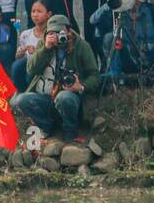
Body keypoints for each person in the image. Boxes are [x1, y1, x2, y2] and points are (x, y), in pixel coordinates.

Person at [10, 14, 99, 144]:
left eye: (60, 32)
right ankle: (48, 126)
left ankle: (70, 130)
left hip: (70, 97)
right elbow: (31, 69)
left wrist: (81, 86)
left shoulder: (81, 46)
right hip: (46, 96)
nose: (57, 37)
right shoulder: (44, 43)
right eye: (52, 33)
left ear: (68, 31)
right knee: (21, 100)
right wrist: (46, 49)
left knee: (64, 98)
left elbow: (95, 76)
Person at [89, 0, 154, 80]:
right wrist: (108, 5)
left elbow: (153, 38)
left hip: (145, 58)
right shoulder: (117, 9)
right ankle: (114, 75)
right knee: (110, 37)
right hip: (125, 57)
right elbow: (93, 20)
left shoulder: (149, 10)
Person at [12, 0, 52, 91]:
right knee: (17, 65)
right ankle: (21, 91)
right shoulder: (26, 34)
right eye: (33, 11)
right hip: (29, 65)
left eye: (39, 11)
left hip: (44, 66)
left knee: (31, 70)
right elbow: (18, 56)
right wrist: (20, 53)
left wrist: (37, 52)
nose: (35, 15)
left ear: (48, 14)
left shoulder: (51, 34)